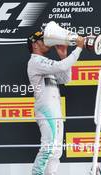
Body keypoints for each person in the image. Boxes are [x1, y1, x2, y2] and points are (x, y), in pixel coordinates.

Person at [27, 31, 84, 175]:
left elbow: (65, 78)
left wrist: (63, 56)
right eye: (43, 40)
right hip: (46, 111)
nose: (47, 42)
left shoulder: (47, 64)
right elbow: (60, 67)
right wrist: (79, 48)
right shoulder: (35, 61)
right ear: (35, 44)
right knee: (48, 147)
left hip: (55, 111)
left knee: (56, 150)